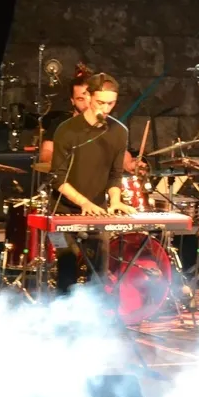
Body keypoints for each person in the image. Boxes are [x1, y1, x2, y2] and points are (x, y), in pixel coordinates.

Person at [49, 72, 138, 293]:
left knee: (99, 273)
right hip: (62, 211)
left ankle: (97, 313)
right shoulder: (66, 130)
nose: (105, 109)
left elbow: (115, 174)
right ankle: (64, 313)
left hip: (98, 211)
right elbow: (58, 178)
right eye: (100, 102)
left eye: (111, 103)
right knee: (66, 269)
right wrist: (84, 203)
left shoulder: (119, 132)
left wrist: (115, 201)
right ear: (88, 97)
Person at [40, 63, 144, 174]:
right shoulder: (61, 124)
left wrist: (129, 163)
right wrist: (58, 161)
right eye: (80, 99)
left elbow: (121, 153)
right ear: (72, 100)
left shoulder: (110, 125)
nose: (86, 104)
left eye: (89, 98)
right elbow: (46, 151)